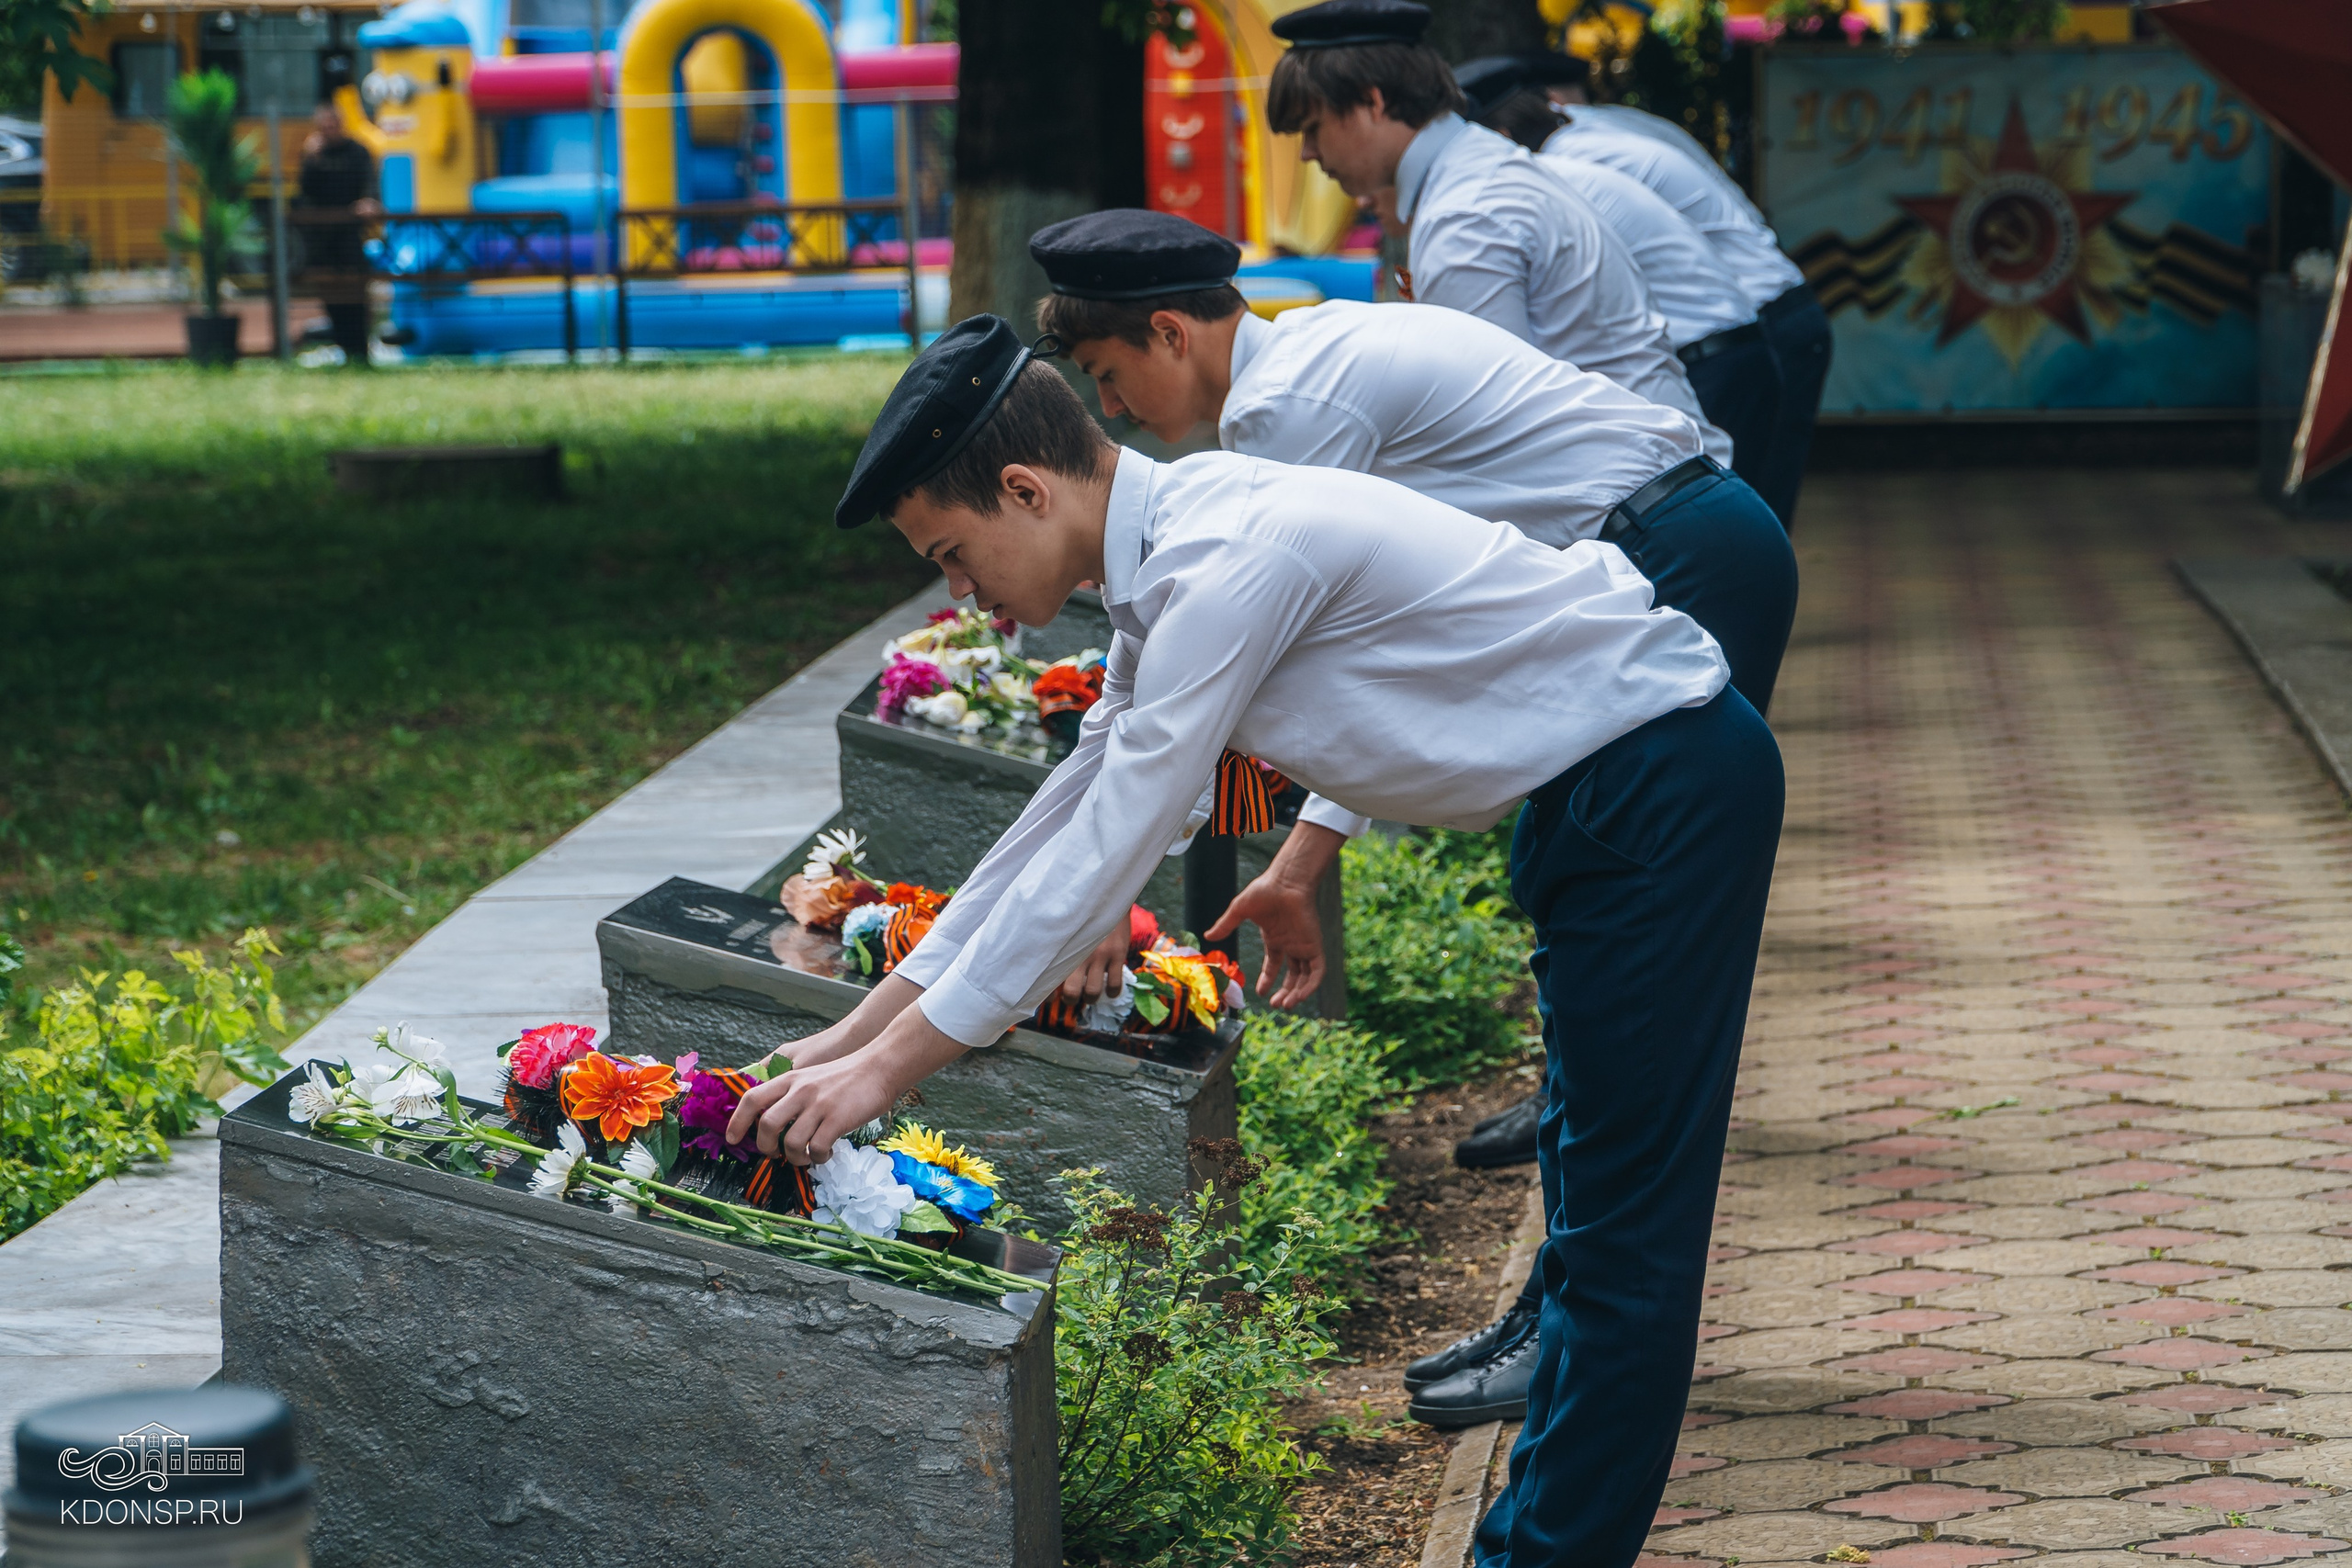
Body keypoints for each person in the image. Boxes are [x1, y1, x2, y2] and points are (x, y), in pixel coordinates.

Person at [724, 315, 1785, 1568]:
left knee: (1623, 1237)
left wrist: (885, 1077)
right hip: (1602, 797)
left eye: (952, 554)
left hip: (1657, 789)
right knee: (1591, 1192)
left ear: (1025, 489)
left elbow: (1114, 838)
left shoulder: (1228, 555)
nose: (958, 591)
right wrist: (850, 1035)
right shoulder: (1169, 557)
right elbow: (1062, 810)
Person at [1261, 0, 1730, 468]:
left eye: (1312, 129)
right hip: (1657, 467)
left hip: (1642, 480)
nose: (1307, 153)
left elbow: (1485, 426)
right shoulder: (1474, 168)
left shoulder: (1465, 214)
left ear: (1372, 102)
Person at [1518, 51, 1833, 530]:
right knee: (1758, 516)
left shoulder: (1573, 157)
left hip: (1753, 320)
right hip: (1774, 310)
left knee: (1739, 526)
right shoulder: (1619, 125)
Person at [1452, 57, 1782, 508]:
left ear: (1502, 138)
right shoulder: (1578, 148)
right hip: (1732, 333)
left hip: (1719, 346)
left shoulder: (1555, 173)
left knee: (1733, 525)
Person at [295, 101, 379, 365]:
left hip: (350, 236)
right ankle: (344, 347)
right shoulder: (314, 155)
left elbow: (370, 184)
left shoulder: (358, 151)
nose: (330, 130)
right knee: (330, 294)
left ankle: (360, 349)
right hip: (322, 240)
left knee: (356, 291)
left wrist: (368, 201)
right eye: (325, 126)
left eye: (334, 125)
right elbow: (304, 192)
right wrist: (311, 160)